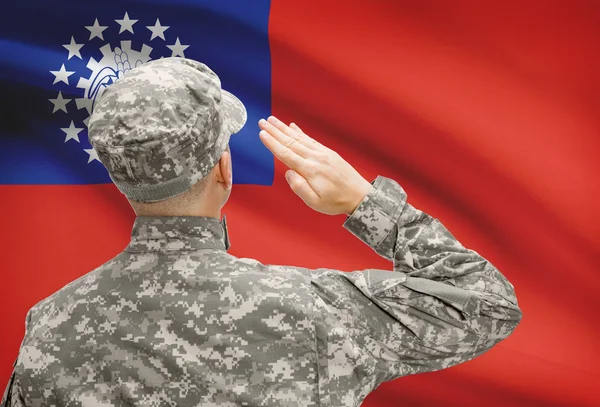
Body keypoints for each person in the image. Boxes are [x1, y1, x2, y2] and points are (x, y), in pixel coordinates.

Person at [1, 57, 522, 407]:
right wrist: (367, 204)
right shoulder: (317, 311)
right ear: (223, 168)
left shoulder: (50, 326)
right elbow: (489, 304)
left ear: (119, 176)